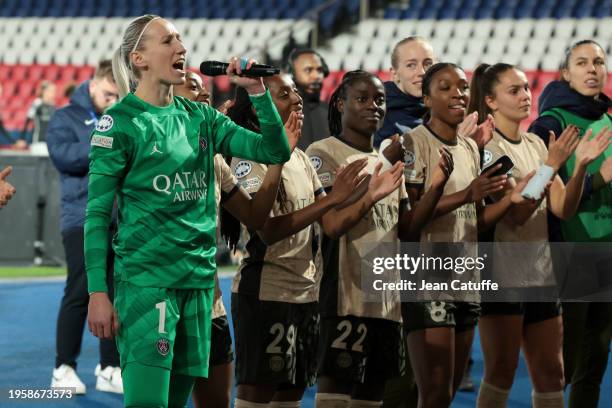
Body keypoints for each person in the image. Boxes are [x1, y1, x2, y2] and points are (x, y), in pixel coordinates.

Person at [85, 14, 291, 408]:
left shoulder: (202, 118)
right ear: (139, 58)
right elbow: (96, 215)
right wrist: (98, 290)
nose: (182, 48)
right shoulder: (120, 124)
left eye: (181, 39)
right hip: (147, 285)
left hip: (197, 286)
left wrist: (257, 93)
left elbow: (274, 151)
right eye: (169, 41)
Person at [306, 70, 454, 408]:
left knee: (373, 400)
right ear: (341, 104)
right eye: (362, 99)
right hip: (342, 298)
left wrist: (435, 187)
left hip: (386, 303)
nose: (374, 106)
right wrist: (371, 194)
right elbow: (331, 225)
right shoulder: (323, 153)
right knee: (335, 397)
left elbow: (408, 229)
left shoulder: (388, 165)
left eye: (380, 100)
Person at [469, 62, 611, 408]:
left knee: (552, 374)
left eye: (526, 88)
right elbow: (515, 214)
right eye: (514, 90)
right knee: (501, 371)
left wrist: (577, 168)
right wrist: (550, 166)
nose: (525, 95)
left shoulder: (534, 141)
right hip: (503, 273)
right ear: (490, 101)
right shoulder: (487, 150)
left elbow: (562, 207)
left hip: (541, 272)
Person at [226, 73, 371, 408]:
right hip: (265, 291)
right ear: (256, 109)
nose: (296, 99)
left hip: (306, 293)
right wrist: (333, 199)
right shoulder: (248, 158)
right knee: (258, 393)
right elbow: (267, 229)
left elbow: (330, 225)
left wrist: (368, 195)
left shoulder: (301, 158)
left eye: (294, 91)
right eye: (284, 93)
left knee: (290, 394)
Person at [401, 62, 535, 408]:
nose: (457, 93)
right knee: (432, 392)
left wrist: (511, 199)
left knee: (446, 394)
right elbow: (410, 224)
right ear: (426, 99)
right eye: (445, 88)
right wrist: (465, 193)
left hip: (467, 277)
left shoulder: (471, 149)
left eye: (462, 87)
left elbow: (477, 219)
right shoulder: (414, 142)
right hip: (428, 279)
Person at [173, 71, 289, 408]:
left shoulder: (216, 162)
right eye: (192, 86)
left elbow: (255, 218)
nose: (203, 93)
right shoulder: (147, 153)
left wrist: (277, 164)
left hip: (210, 307)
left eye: (205, 88)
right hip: (162, 302)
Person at [528, 39, 612, 408]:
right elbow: (535, 188)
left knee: (595, 364)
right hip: (570, 253)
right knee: (563, 367)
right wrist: (597, 179)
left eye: (598, 62)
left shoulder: (610, 119)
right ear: (565, 73)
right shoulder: (552, 122)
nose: (592, 69)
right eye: (582, 63)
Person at [47, 60, 122, 395]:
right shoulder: (66, 117)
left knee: (115, 292)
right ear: (93, 85)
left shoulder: (122, 116)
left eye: (118, 95)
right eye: (108, 93)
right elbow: (64, 157)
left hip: (119, 219)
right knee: (80, 292)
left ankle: (110, 366)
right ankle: (63, 367)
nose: (113, 100)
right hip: (80, 217)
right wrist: (104, 134)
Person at [373, 37, 433, 149]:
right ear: (395, 74)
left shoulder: (443, 111)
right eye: (411, 65)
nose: (422, 72)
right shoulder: (375, 116)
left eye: (428, 64)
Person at [286, 48, 330, 150]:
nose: (316, 76)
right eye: (308, 70)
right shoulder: (280, 112)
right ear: (292, 74)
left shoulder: (332, 112)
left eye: (319, 70)